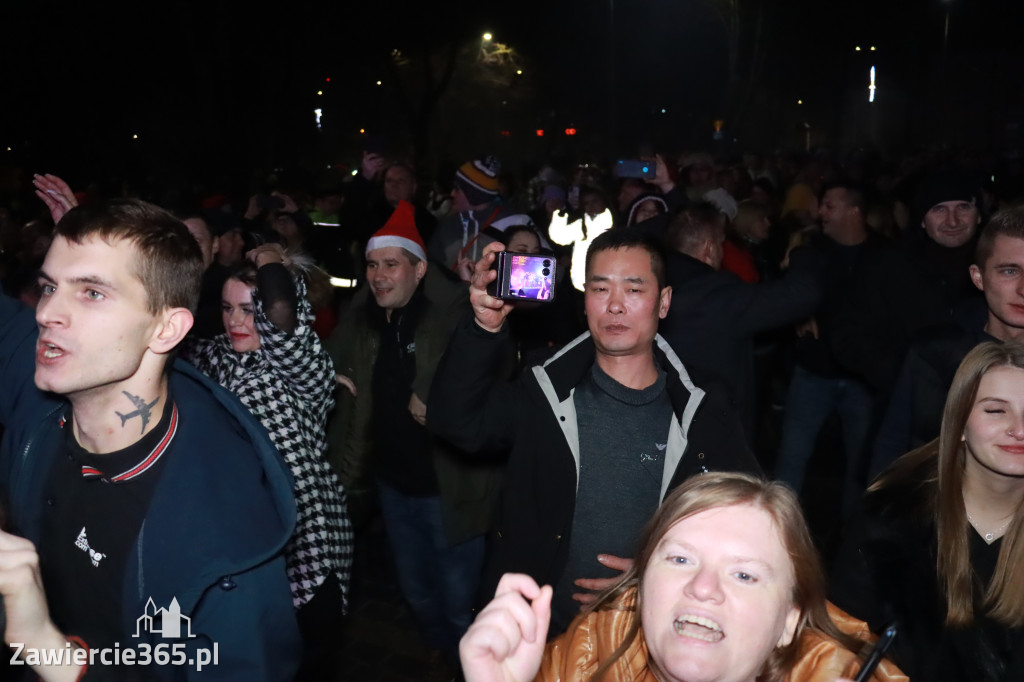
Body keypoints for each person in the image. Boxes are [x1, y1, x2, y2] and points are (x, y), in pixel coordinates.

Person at [0, 198, 301, 680]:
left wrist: (49, 652)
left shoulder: (227, 540)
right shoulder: (39, 396)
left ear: (165, 329)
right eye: (49, 286)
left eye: (92, 293)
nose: (47, 312)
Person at [429, 227, 759, 636]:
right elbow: (456, 423)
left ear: (664, 302)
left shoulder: (701, 408)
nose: (615, 306)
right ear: (585, 300)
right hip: (537, 635)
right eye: (600, 289)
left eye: (634, 290)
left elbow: (748, 521)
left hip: (645, 639)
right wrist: (482, 327)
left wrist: (661, 570)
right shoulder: (543, 390)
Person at [460, 473, 906, 682]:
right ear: (641, 584)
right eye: (679, 560)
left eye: (745, 575)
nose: (703, 588)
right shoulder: (586, 653)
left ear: (789, 623)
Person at [327, 201, 502, 671]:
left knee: (459, 595)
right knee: (416, 588)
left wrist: (432, 391)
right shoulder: (364, 318)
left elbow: (485, 362)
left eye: (391, 264)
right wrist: (329, 376)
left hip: (448, 490)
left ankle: (469, 666)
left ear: (419, 268)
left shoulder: (450, 316)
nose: (379, 275)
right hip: (392, 486)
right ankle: (435, 648)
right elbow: (329, 356)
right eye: (372, 264)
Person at [181, 242, 352, 678]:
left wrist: (271, 259)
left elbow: (280, 316)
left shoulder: (302, 367)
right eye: (228, 308)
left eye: (248, 309)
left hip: (306, 544)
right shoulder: (213, 355)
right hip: (241, 542)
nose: (236, 321)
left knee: (313, 658)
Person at [832, 341, 1024, 681]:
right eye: (996, 410)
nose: (1019, 429)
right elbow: (836, 641)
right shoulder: (891, 518)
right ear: (960, 422)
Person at [871, 205, 1024, 474]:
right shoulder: (934, 355)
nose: (1023, 289)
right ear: (979, 277)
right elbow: (893, 446)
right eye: (1009, 271)